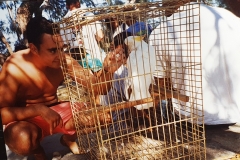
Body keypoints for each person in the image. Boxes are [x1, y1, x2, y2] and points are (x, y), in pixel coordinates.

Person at [0, 16, 126, 160]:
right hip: (26, 119)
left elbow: (98, 89)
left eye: (62, 48)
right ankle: (38, 151)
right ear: (34, 48)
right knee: (22, 139)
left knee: (104, 117)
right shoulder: (14, 66)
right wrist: (38, 109)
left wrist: (107, 71)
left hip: (58, 113)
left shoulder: (65, 62)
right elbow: (3, 114)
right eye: (53, 50)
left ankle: (66, 138)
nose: (60, 55)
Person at [149, 2, 240, 125]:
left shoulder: (162, 30)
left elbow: (161, 85)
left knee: (164, 103)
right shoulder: (231, 18)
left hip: (192, 119)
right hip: (236, 115)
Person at [62, 0, 106, 65]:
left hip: (76, 63)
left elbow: (64, 44)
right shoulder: (88, 14)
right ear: (78, 3)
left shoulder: (63, 21)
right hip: (94, 58)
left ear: (67, 5)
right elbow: (100, 36)